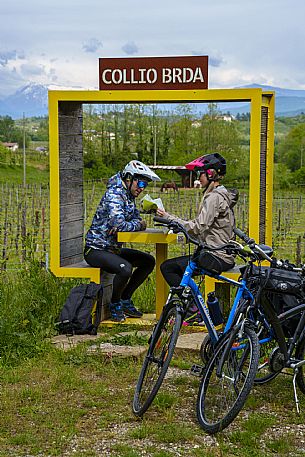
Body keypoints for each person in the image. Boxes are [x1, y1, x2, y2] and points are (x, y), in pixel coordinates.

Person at [84, 160, 161, 322]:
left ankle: (125, 299)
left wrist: (135, 224)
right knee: (125, 269)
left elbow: (135, 220)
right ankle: (115, 303)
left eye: (145, 185)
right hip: (96, 249)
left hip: (112, 249)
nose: (141, 188)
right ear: (128, 178)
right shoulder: (114, 194)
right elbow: (119, 224)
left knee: (148, 261)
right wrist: (133, 224)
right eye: (140, 182)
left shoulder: (128, 196)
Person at [156, 153, 238, 290]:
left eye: (200, 173)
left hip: (216, 255)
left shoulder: (214, 198)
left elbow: (198, 227)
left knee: (168, 268)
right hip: (219, 253)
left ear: (210, 174)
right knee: (179, 266)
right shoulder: (218, 195)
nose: (198, 177)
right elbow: (205, 229)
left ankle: (191, 306)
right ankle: (194, 303)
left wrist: (168, 217)